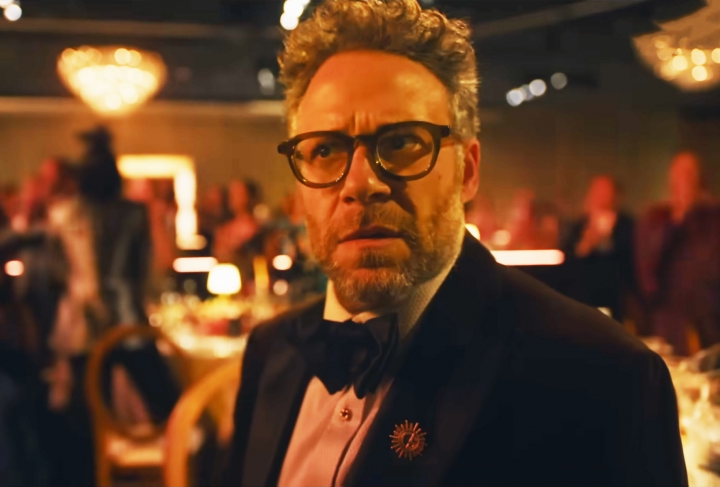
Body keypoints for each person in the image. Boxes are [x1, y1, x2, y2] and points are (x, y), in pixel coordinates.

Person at [224, 1, 686, 486]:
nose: (360, 183)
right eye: (324, 149)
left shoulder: (605, 379)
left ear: (467, 171)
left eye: (402, 143)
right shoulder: (269, 350)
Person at [636, 151, 720, 356]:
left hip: (709, 315)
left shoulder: (714, 216)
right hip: (667, 316)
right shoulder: (656, 218)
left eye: (690, 173)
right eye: (679, 174)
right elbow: (646, 265)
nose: (684, 180)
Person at [561, 175, 636, 323]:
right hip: (585, 297)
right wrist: (585, 245)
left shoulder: (627, 226)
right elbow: (567, 258)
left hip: (617, 296)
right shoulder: (579, 226)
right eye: (597, 192)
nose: (600, 198)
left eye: (605, 192)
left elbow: (632, 260)